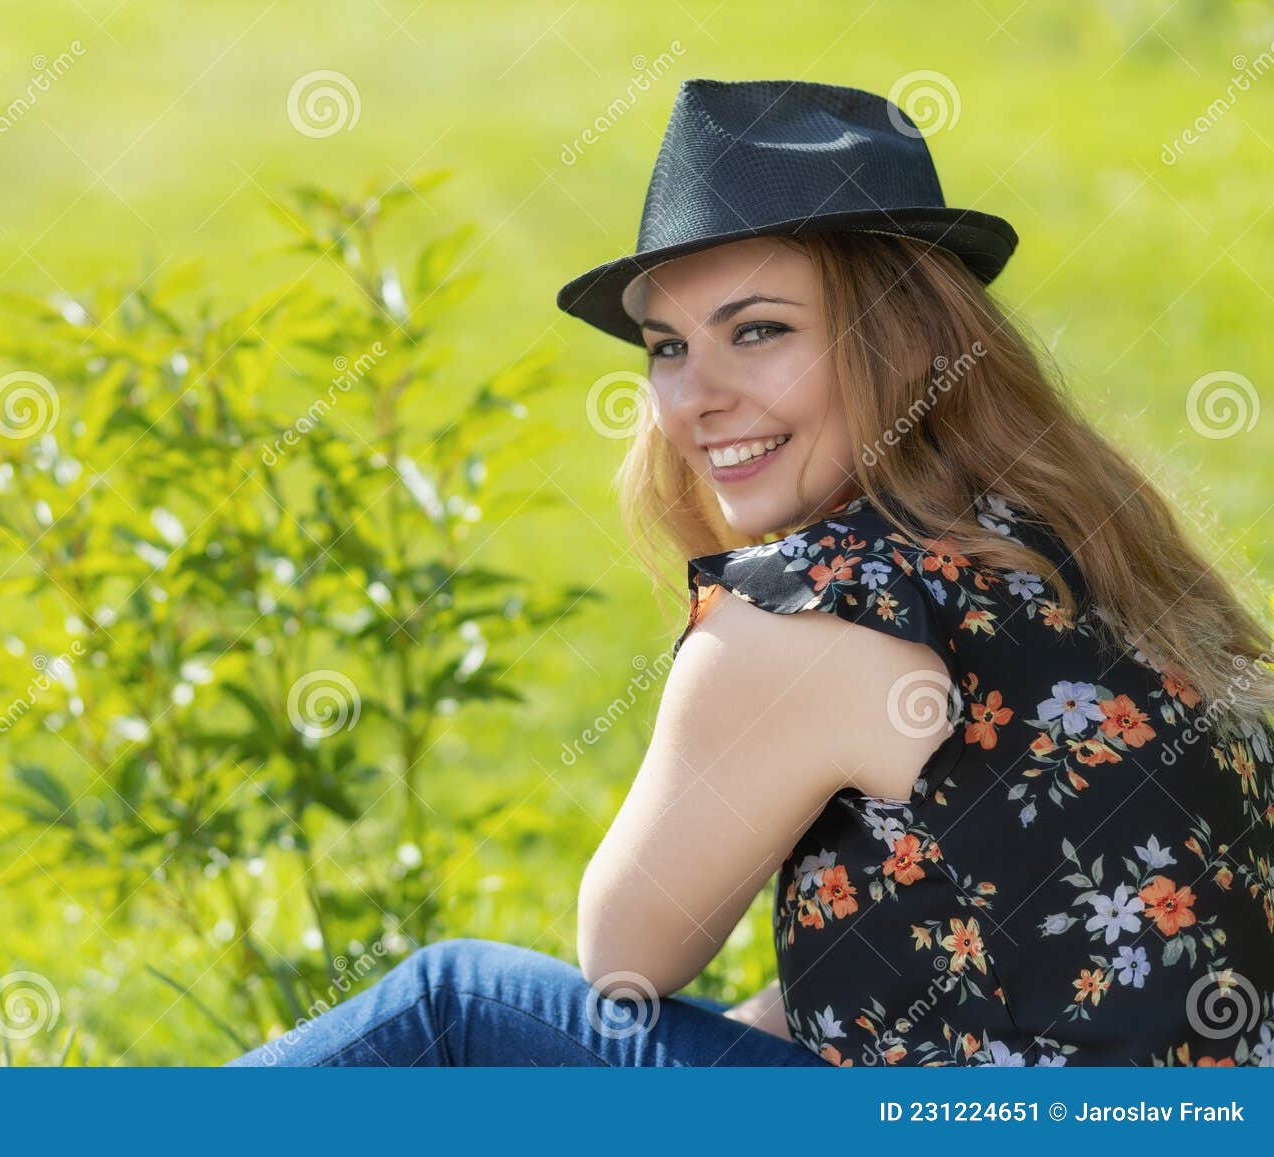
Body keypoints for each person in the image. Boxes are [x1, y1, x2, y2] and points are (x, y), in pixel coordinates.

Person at [227, 78, 1274, 1067]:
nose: (695, 397)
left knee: (454, 1007)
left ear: (908, 343)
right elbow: (978, 949)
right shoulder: (1072, 547)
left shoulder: (816, 609)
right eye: (667, 346)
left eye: (759, 331)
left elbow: (625, 953)